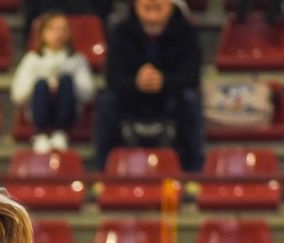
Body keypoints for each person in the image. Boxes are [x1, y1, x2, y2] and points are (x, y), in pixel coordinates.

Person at [96, 0, 204, 173]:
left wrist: (164, 82)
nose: (153, 2)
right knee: (107, 100)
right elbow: (113, 78)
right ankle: (103, 170)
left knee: (191, 98)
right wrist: (136, 83)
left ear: (171, 4)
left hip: (170, 100)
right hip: (131, 100)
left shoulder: (187, 32)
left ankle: (194, 170)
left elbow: (192, 77)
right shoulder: (120, 32)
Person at [13, 12, 98, 152]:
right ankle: (41, 134)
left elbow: (88, 93)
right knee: (41, 84)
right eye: (52, 29)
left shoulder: (76, 59)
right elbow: (17, 95)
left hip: (69, 113)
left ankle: (61, 131)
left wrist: (66, 85)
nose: (58, 34)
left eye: (63, 29)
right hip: (37, 111)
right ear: (42, 33)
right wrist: (44, 83)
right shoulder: (32, 59)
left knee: (66, 80)